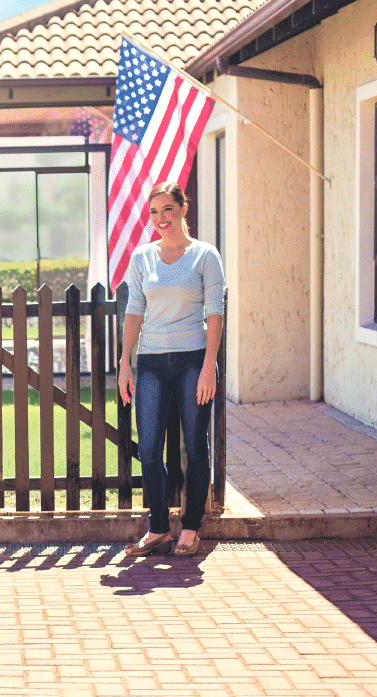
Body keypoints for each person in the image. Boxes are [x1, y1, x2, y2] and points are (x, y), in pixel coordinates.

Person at [117, 182, 225, 558]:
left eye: (167, 209)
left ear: (183, 208)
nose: (160, 219)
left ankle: (191, 527)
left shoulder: (204, 256)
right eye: (153, 212)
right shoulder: (142, 258)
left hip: (194, 359)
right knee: (148, 447)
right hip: (151, 362)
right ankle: (159, 527)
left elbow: (215, 313)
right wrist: (124, 363)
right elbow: (134, 312)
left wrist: (209, 366)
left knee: (195, 445)